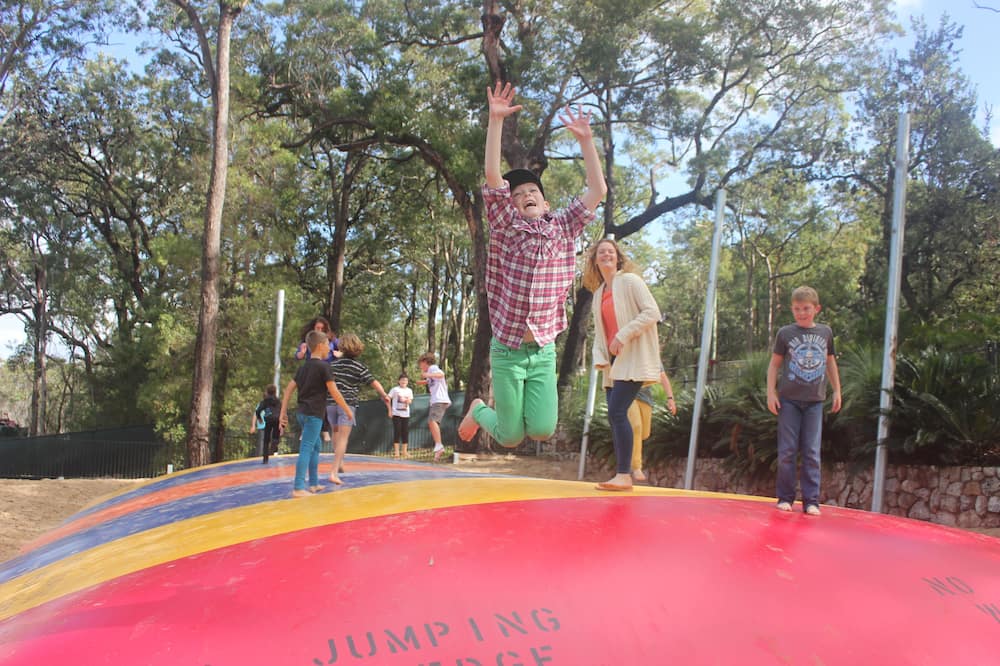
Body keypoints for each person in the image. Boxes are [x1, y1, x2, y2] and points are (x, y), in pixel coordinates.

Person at [458, 81, 607, 447]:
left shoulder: (564, 228)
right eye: (518, 194)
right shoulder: (507, 227)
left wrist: (586, 142)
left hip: (541, 351)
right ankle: (479, 409)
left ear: (545, 204)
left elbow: (597, 191)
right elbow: (494, 179)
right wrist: (496, 122)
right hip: (507, 349)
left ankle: (514, 412)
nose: (525, 195)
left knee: (541, 430)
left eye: (533, 193)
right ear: (510, 206)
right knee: (509, 437)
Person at [586, 238, 662, 491]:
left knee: (617, 412)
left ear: (618, 257)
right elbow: (600, 333)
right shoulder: (598, 294)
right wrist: (599, 358)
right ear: (595, 261)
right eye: (601, 252)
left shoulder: (630, 281)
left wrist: (623, 335)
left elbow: (652, 312)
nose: (606, 255)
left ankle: (624, 474)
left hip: (634, 357)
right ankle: (622, 474)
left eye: (610, 251)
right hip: (613, 363)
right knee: (615, 415)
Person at [766, 285, 842, 516]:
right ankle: (785, 497)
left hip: (815, 402)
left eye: (806, 308)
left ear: (816, 309)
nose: (801, 313)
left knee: (811, 452)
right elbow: (774, 364)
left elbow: (830, 362)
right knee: (787, 450)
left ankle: (811, 501)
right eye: (797, 309)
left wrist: (837, 390)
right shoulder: (785, 333)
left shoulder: (825, 333)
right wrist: (771, 392)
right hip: (789, 401)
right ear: (792, 309)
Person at [279, 330, 353, 498]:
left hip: (303, 414)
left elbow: (288, 390)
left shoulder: (303, 368)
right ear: (320, 346)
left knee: (315, 445)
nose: (329, 348)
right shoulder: (324, 367)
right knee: (306, 447)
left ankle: (313, 484)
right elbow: (334, 392)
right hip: (313, 415)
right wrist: (347, 410)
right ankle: (298, 487)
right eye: (328, 344)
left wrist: (283, 413)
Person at [327, 334, 390, 484]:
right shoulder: (358, 367)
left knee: (335, 434)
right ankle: (334, 471)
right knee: (343, 438)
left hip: (330, 403)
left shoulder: (332, 365)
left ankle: (340, 462)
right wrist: (384, 395)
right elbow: (374, 383)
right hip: (347, 404)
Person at [628, 369, 677, 483]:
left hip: (645, 399)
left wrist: (670, 399)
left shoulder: (653, 357)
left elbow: (663, 377)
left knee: (644, 434)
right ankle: (636, 467)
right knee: (636, 427)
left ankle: (627, 445)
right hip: (628, 396)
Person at [417, 352, 450, 461]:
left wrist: (428, 375)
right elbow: (431, 381)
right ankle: (438, 447)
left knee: (432, 421)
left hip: (439, 400)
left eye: (420, 364)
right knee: (432, 422)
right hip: (437, 400)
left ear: (425, 362)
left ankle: (439, 445)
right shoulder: (430, 371)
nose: (420, 367)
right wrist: (423, 382)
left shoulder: (432, 368)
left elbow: (441, 375)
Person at [252, 385, 282, 464]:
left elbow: (258, 411)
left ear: (267, 392)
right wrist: (282, 423)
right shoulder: (278, 401)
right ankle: (274, 444)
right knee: (276, 436)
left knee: (266, 439)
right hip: (277, 420)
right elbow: (282, 411)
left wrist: (260, 418)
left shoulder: (265, 401)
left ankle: (265, 459)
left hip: (268, 420)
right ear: (275, 392)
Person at [387, 373, 414, 458]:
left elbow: (410, 401)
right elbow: (387, 399)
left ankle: (405, 452)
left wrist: (407, 401)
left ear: (407, 381)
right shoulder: (394, 389)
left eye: (405, 380)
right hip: (396, 414)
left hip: (406, 414)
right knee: (397, 431)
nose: (404, 381)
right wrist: (390, 410)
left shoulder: (409, 390)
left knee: (405, 432)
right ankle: (397, 452)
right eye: (402, 380)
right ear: (399, 381)